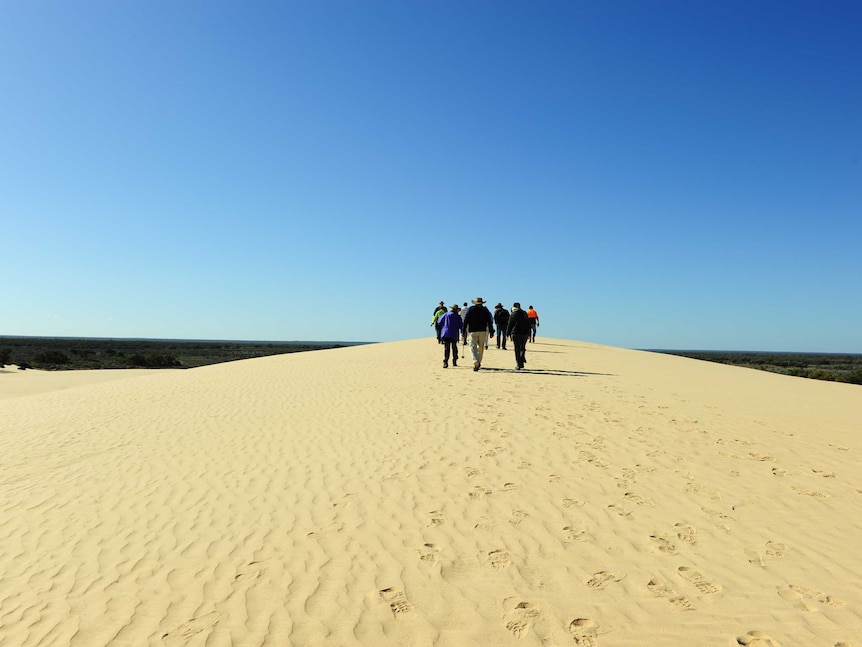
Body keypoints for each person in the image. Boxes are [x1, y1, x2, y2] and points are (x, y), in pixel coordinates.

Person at [462, 297, 494, 371]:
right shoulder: (485, 310)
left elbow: (466, 321)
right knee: (481, 347)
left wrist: (464, 331)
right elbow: (489, 321)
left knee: (472, 346)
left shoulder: (471, 310)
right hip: (483, 330)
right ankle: (479, 362)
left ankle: (475, 361)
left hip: (473, 331)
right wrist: (491, 331)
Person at [507, 302, 532, 370]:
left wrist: (507, 334)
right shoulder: (525, 313)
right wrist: (529, 334)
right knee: (522, 347)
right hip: (524, 333)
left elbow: (510, 324)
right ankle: (522, 357)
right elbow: (528, 324)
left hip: (515, 333)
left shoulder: (513, 314)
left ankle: (518, 364)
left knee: (517, 349)